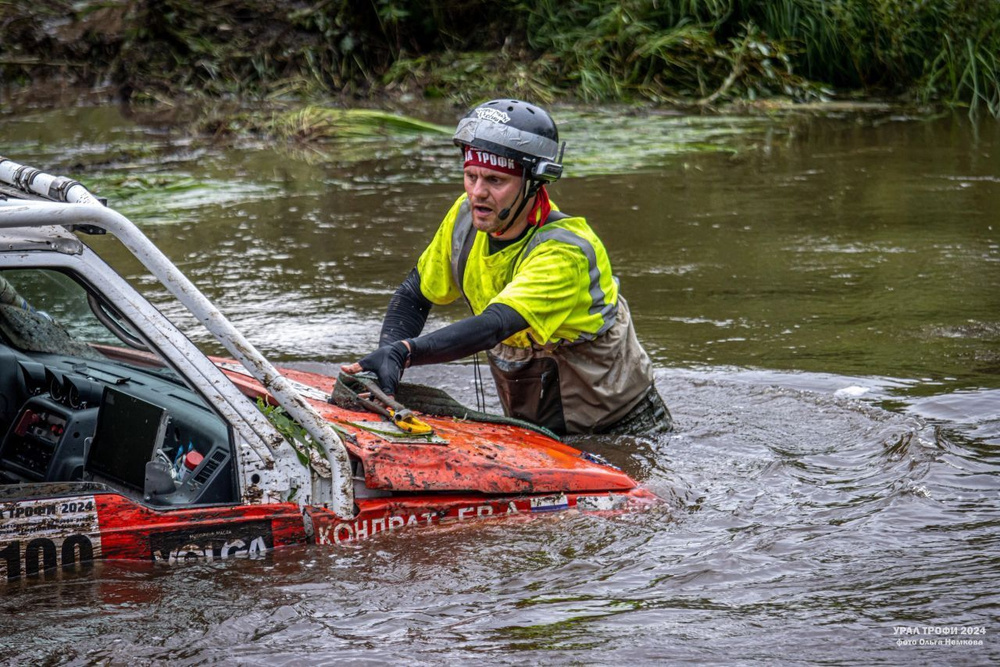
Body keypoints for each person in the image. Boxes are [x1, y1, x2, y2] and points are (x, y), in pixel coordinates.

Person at [342, 98, 671, 436]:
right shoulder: (465, 220)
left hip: (622, 430)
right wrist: (386, 359)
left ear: (533, 183)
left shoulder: (565, 252)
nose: (478, 194)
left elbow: (494, 325)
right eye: (471, 176)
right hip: (537, 429)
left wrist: (406, 352)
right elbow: (415, 293)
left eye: (496, 181)